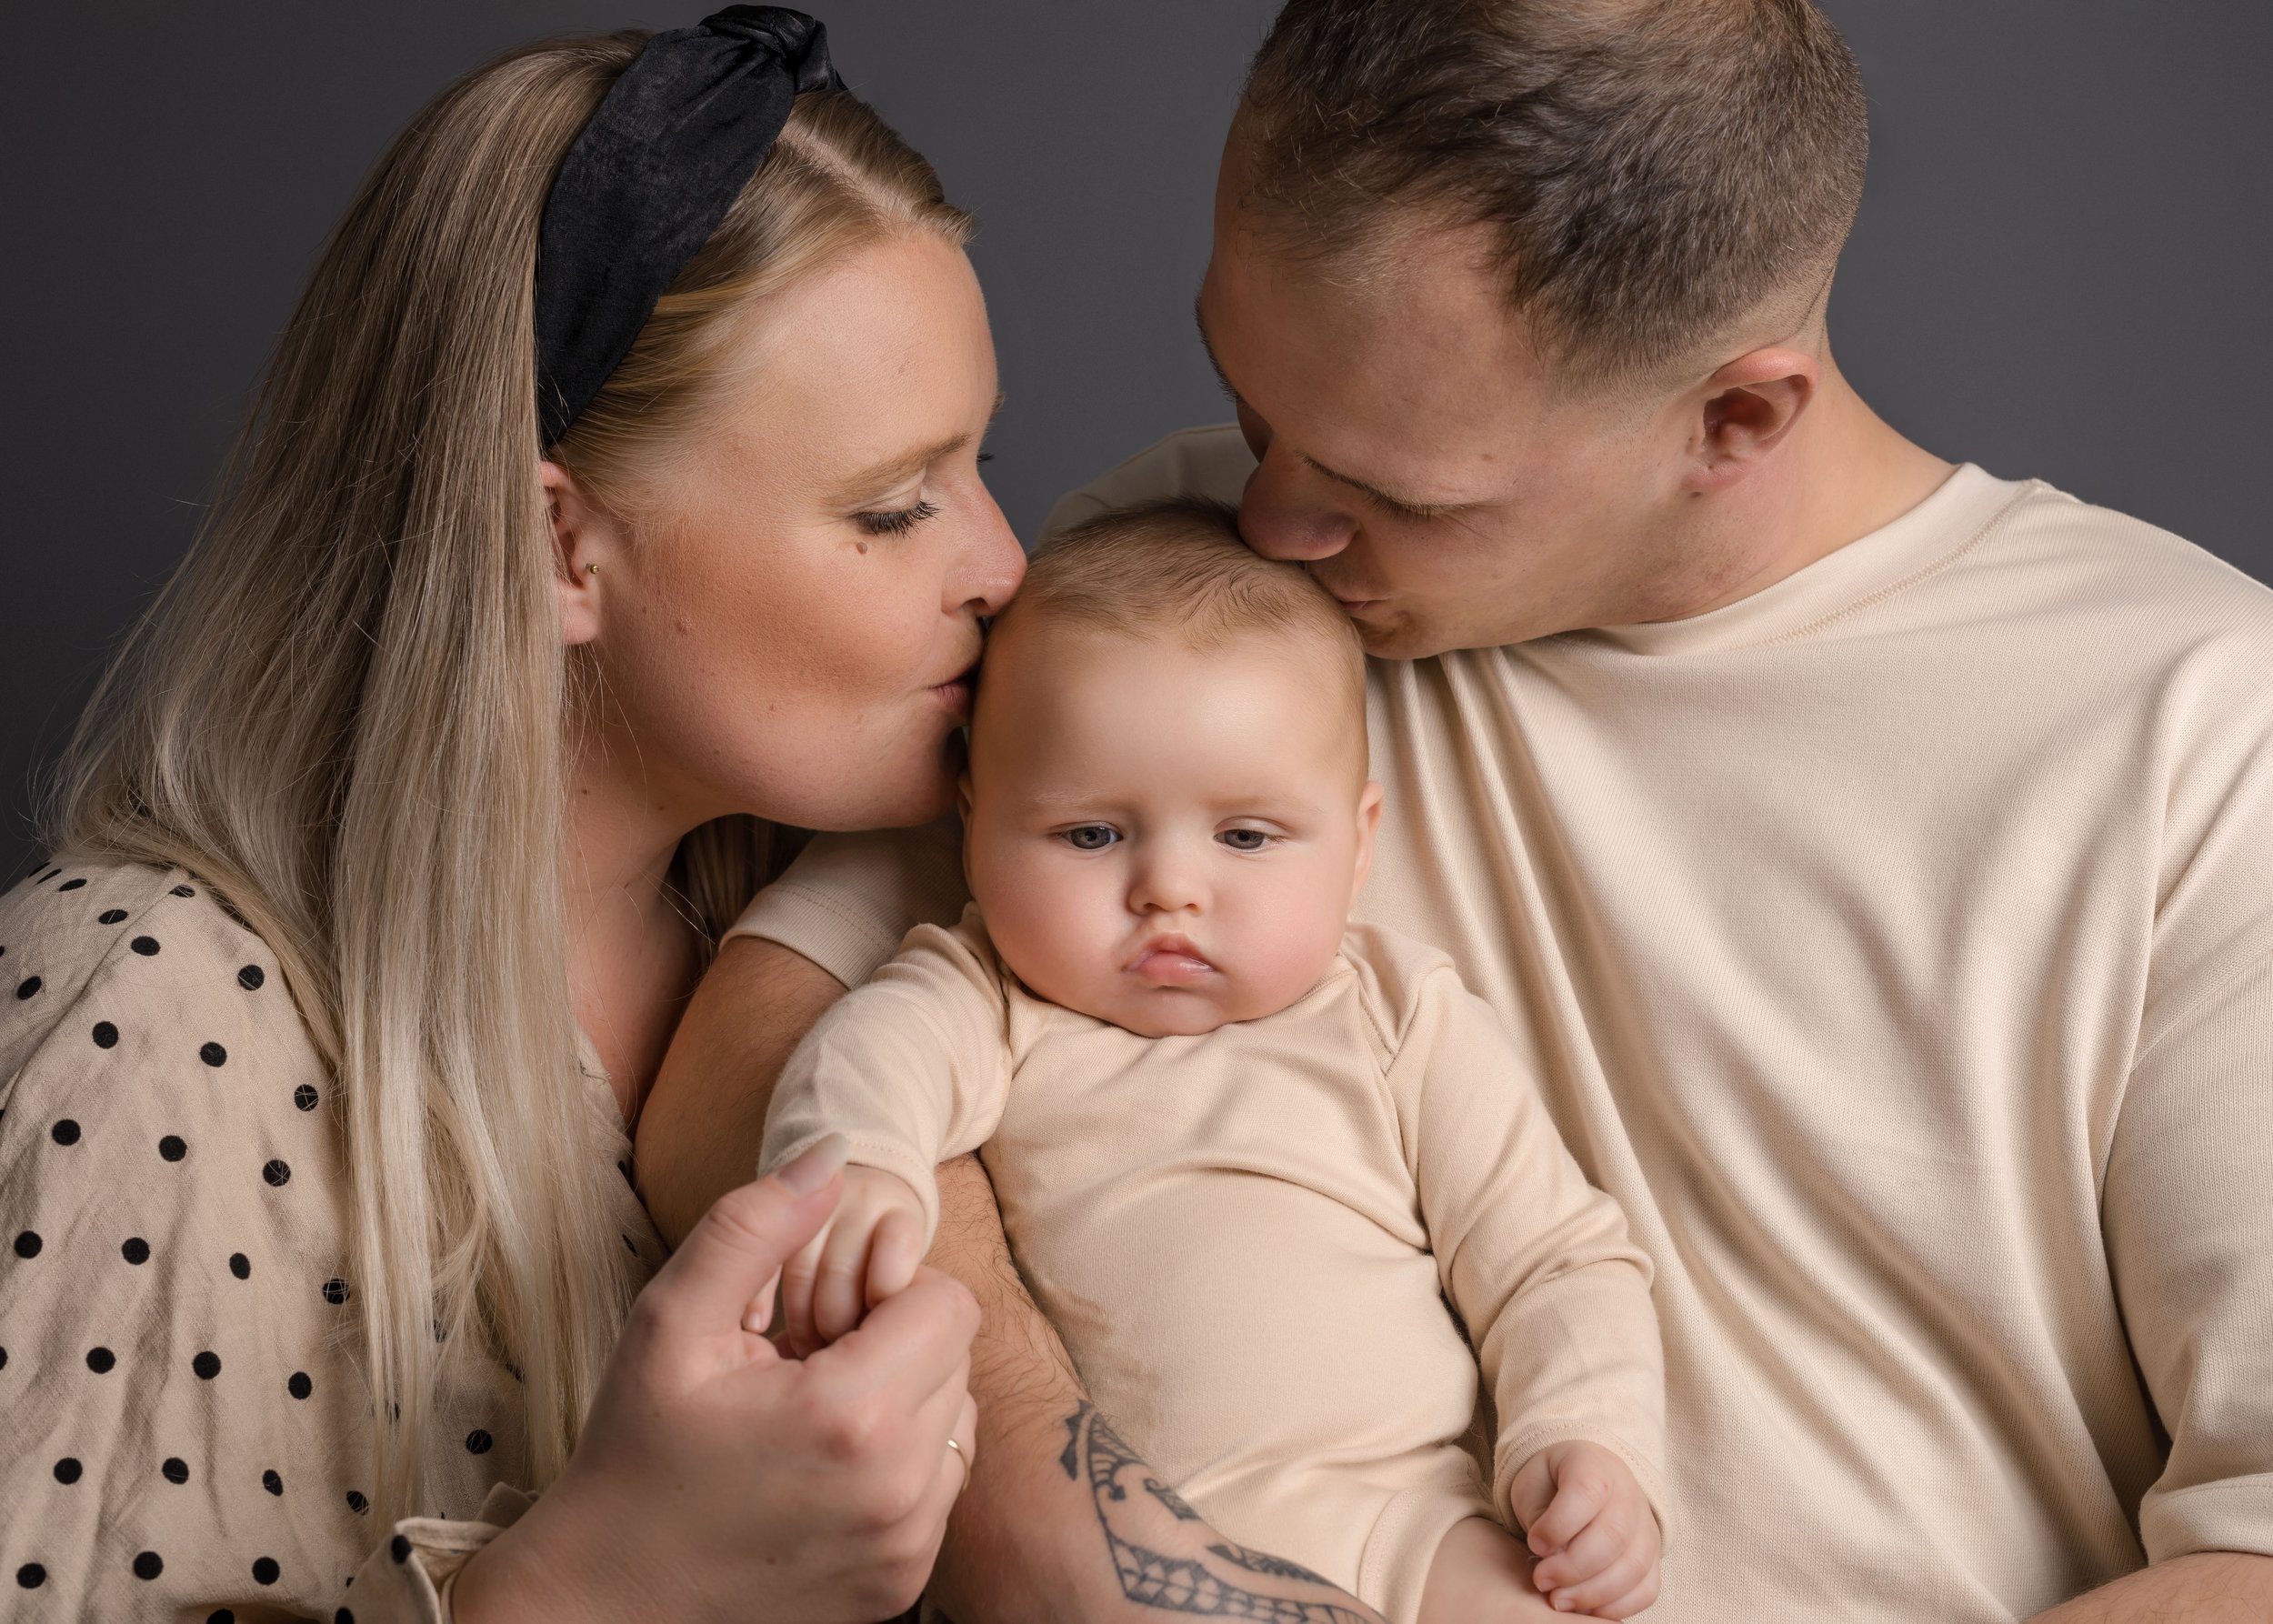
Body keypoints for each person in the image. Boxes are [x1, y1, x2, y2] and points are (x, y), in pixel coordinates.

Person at [635, 2, 2273, 1621]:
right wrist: (1081, 1549)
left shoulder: (2199, 731)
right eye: (1257, 409)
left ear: (1736, 419)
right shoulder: (1193, 587)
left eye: (1388, 494)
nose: (1274, 515)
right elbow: (740, 1071)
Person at [0, 12, 1009, 1621]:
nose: (1002, 566)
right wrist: (593, 1587)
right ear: (556, 548)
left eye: (981, 465)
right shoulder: (135, 1018)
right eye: (895, 507)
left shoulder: (881, 950)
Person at [761, 502, 1669, 1623]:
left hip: (1408, 1518)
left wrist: (1584, 1442)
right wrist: (865, 1170)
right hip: (1124, 1537)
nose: (1169, 889)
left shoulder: (1395, 1014)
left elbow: (1554, 1259)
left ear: (1357, 842)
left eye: (1245, 836)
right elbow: (865, 1059)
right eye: (1091, 834)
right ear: (972, 819)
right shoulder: (987, 998)